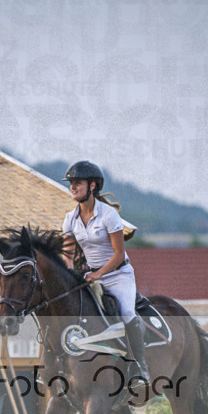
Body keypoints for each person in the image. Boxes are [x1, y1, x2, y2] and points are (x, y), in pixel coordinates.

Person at [61, 160, 150, 383]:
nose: (73, 186)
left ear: (92, 186)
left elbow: (119, 255)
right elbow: (68, 256)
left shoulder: (109, 215)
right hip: (91, 276)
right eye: (71, 183)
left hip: (118, 275)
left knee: (127, 313)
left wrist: (98, 274)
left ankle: (140, 366)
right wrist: (69, 275)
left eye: (78, 183)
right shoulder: (69, 219)